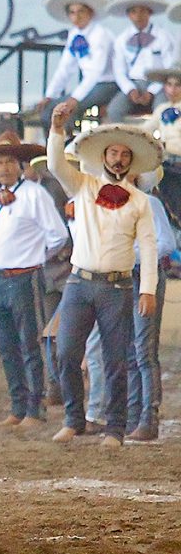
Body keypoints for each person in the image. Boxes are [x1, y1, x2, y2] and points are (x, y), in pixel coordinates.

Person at [46, 102, 160, 447]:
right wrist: (57, 129)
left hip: (118, 286)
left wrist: (148, 289)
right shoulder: (83, 185)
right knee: (66, 352)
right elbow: (55, 164)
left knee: (115, 360)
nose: (118, 159)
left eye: (124, 154)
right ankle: (73, 419)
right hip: (80, 282)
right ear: (104, 157)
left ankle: (114, 429)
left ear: (130, 161)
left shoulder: (140, 201)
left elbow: (150, 246)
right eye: (113, 152)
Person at [0, 132, 69, 430]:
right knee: (7, 347)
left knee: (29, 345)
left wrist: (36, 258)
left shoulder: (35, 195)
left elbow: (58, 235)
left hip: (26, 278)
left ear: (20, 164)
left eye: (10, 161)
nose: (4, 168)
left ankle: (34, 410)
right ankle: (17, 406)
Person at [38, 0, 116, 137]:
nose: (77, 16)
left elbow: (96, 71)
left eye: (81, 11)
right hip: (91, 85)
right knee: (49, 109)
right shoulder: (75, 34)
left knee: (67, 109)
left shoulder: (100, 34)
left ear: (90, 13)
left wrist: (76, 98)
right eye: (72, 12)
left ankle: (68, 148)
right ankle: (51, 150)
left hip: (107, 83)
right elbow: (65, 68)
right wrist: (50, 94)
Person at [106, 0, 175, 122]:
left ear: (150, 13)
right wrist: (130, 90)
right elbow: (119, 72)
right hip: (134, 83)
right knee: (113, 111)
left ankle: (161, 142)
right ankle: (124, 141)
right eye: (133, 12)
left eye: (143, 11)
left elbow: (169, 68)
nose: (138, 16)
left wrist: (152, 91)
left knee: (162, 110)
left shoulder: (163, 36)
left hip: (158, 83)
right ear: (128, 15)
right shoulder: (122, 39)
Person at [143, 61, 181, 161]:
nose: (172, 90)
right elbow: (146, 129)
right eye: (169, 84)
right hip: (165, 159)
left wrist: (165, 146)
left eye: (178, 85)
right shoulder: (162, 108)